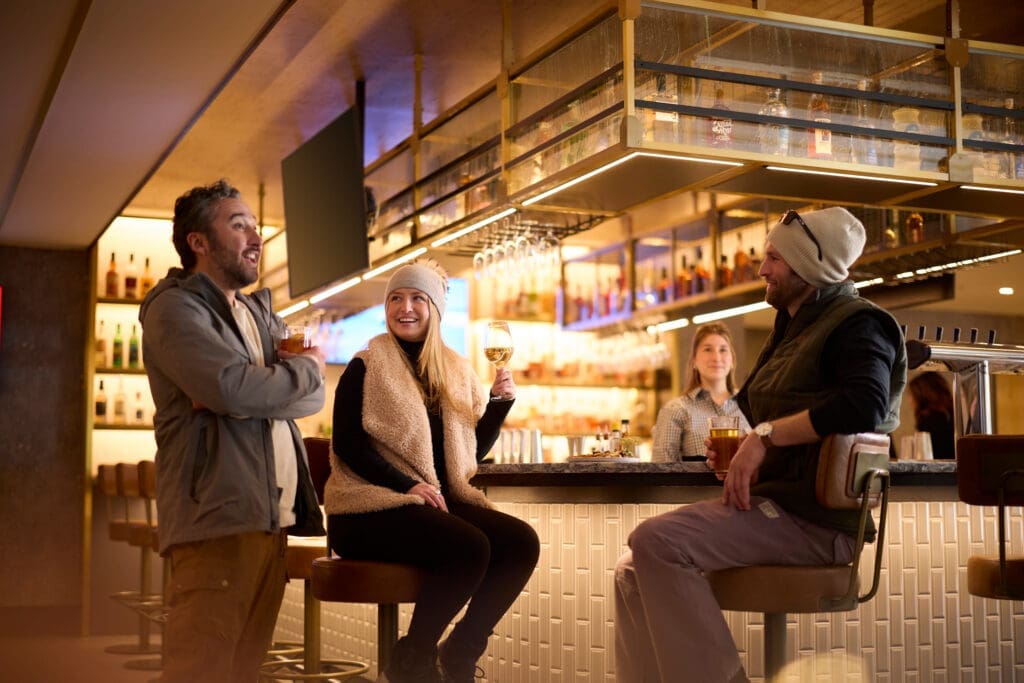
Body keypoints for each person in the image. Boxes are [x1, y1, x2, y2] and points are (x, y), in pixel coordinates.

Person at [614, 207, 907, 682]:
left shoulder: (858, 323)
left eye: (774, 258)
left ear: (809, 266)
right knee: (631, 569)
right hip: (779, 509)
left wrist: (765, 437)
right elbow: (772, 415)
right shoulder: (793, 327)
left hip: (817, 522)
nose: (761, 269)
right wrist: (738, 455)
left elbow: (865, 404)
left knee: (656, 540)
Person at [139, 179, 327, 683]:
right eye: (238, 225)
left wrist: (261, 390)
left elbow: (309, 398)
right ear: (198, 241)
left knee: (243, 672)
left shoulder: (257, 313)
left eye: (255, 226)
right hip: (217, 518)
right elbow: (230, 387)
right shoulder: (175, 308)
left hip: (271, 520)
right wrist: (285, 377)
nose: (256, 237)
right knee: (199, 670)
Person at [324, 259, 540, 683]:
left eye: (417, 299)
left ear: (436, 309)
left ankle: (460, 651)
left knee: (521, 543)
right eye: (395, 299)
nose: (405, 308)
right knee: (470, 546)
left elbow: (467, 454)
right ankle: (412, 663)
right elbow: (347, 444)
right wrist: (407, 484)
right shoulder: (365, 365)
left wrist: (498, 405)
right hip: (365, 510)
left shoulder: (456, 372)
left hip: (430, 505)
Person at [651, 322, 750, 461]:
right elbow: (662, 468)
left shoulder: (751, 406)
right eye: (708, 349)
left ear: (732, 360)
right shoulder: (675, 410)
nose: (716, 357)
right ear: (694, 361)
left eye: (723, 350)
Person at [908, 371, 955, 459]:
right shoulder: (953, 415)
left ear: (921, 395)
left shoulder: (927, 421)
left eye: (911, 395)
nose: (909, 401)